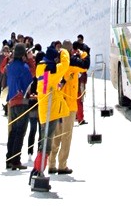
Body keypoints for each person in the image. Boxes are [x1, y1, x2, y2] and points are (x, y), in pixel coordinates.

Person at [29, 44, 70, 185]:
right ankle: (38, 170)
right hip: (51, 112)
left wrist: (56, 87)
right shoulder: (52, 70)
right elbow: (65, 65)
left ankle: (37, 169)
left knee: (44, 142)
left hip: (45, 110)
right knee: (46, 144)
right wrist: (64, 51)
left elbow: (47, 87)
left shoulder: (42, 69)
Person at [48, 40, 88, 175]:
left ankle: (51, 163)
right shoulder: (72, 65)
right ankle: (62, 164)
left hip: (57, 104)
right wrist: (82, 54)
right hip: (69, 106)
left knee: (56, 134)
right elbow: (86, 66)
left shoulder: (56, 65)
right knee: (66, 136)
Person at [5, 43, 33, 170]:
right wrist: (31, 60)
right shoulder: (24, 67)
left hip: (11, 101)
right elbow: (30, 80)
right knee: (20, 131)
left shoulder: (10, 67)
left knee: (13, 131)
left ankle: (9, 158)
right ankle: (16, 160)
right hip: (22, 101)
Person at [74, 34, 90, 125]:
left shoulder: (45, 70)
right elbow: (85, 66)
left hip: (77, 80)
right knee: (80, 99)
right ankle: (80, 117)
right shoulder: (83, 53)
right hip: (79, 80)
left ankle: (76, 115)